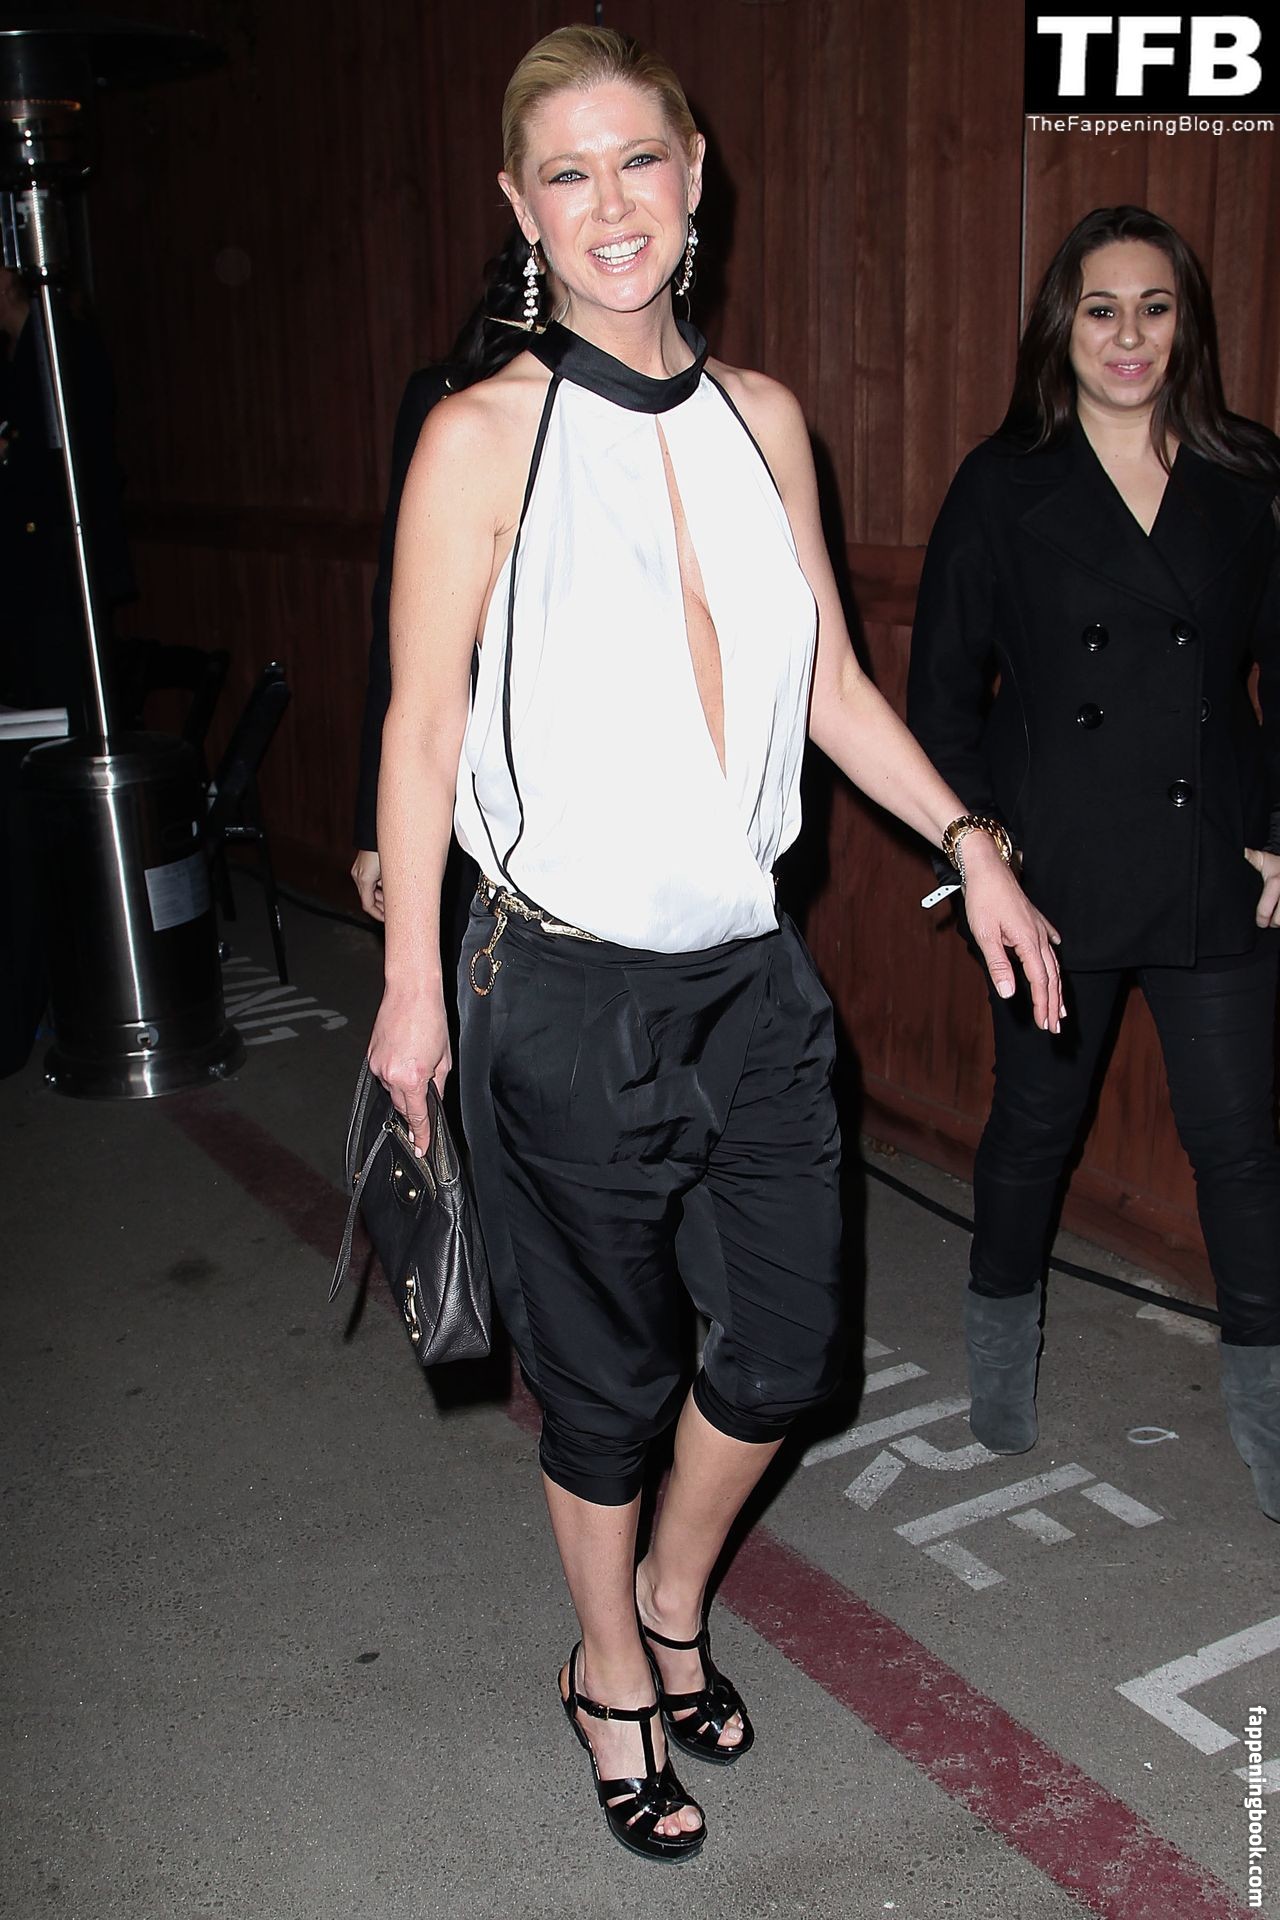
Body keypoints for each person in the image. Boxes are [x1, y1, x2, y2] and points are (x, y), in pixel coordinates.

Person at [368, 24, 1061, 1862]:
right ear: (522, 206)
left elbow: (826, 684)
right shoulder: (482, 436)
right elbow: (421, 731)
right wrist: (413, 991)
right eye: (568, 175)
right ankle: (612, 1671)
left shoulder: (765, 421)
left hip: (751, 981)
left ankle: (675, 1597)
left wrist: (971, 844)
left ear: (695, 177)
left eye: (639, 163)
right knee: (605, 1383)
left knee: (783, 1355)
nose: (611, 205)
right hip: (562, 988)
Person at [907, 205, 1280, 1523]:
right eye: (1101, 308)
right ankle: (997, 1364)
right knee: (1034, 1128)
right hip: (1051, 874)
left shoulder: (1248, 473)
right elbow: (940, 694)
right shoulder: (1002, 482)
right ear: (1061, 327)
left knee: (1240, 1148)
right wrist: (983, 848)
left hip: (1211, 859)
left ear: (1188, 326)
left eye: (1155, 308)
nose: (1129, 336)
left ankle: (1268, 1412)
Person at [350, 228, 535, 924]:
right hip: (468, 757)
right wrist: (376, 825)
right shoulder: (450, 404)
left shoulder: (666, 408)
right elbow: (396, 625)